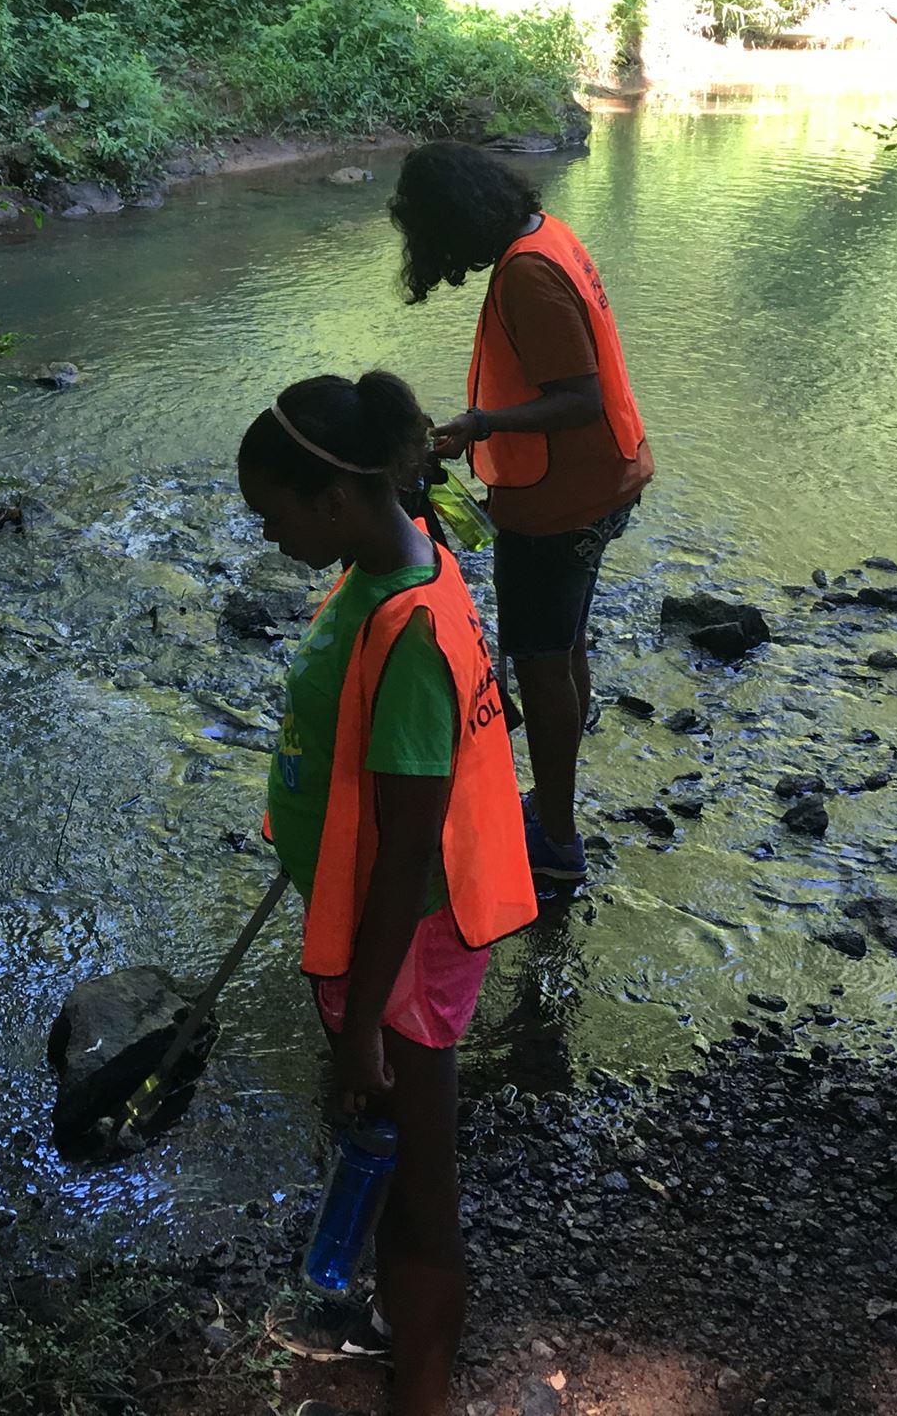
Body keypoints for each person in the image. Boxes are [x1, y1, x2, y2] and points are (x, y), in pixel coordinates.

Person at [238, 372, 537, 1416]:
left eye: (273, 516)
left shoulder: (410, 629)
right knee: (392, 1147)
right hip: (381, 933)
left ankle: (423, 1389)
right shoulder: (389, 559)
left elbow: (410, 846)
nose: (266, 537)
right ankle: (393, 1329)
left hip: (407, 944)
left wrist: (359, 1026)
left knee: (421, 1185)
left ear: (333, 498)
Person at [389, 141, 654, 884]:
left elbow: (580, 397)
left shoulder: (527, 275)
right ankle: (554, 802)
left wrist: (481, 424)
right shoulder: (547, 234)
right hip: (606, 479)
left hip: (562, 501)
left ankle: (558, 841)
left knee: (540, 662)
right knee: (564, 648)